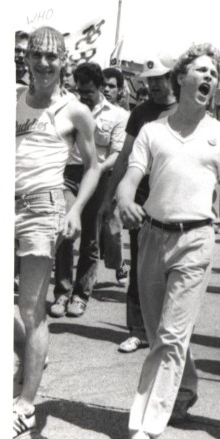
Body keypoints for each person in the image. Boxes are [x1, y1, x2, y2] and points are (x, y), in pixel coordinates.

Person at [115, 43, 220, 439]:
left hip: (196, 240)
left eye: (214, 72)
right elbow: (129, 179)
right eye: (201, 70)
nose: (209, 78)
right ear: (182, 78)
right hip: (152, 238)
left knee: (170, 337)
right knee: (161, 335)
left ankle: (144, 430)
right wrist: (123, 201)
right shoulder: (154, 131)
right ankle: (185, 387)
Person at [14, 26, 99, 438]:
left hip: (42, 209)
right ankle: (28, 353)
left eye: (52, 56)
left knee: (32, 310)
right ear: (26, 58)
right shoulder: (11, 99)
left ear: (63, 60)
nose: (44, 63)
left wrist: (76, 209)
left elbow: (94, 166)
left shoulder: (74, 110)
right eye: (37, 55)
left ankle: (26, 405)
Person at [99, 55, 178, 353]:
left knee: (172, 268)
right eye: (150, 80)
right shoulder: (141, 113)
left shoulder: (186, 110)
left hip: (174, 198)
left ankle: (167, 329)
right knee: (140, 268)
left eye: (160, 78)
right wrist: (109, 197)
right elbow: (125, 157)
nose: (155, 85)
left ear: (174, 78)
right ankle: (138, 329)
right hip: (141, 201)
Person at [50, 62, 128, 318]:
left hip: (98, 177)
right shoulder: (68, 109)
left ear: (101, 87)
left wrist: (95, 168)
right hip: (67, 175)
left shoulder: (117, 115)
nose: (83, 98)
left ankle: (81, 295)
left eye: (88, 93)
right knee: (66, 232)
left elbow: (118, 152)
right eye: (79, 92)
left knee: (91, 240)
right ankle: (61, 293)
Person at [101, 66, 130, 284]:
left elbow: (122, 153)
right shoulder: (87, 110)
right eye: (104, 85)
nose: (106, 89)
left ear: (120, 90)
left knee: (111, 227)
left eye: (112, 86)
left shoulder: (124, 116)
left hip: (112, 174)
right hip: (85, 175)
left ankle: (119, 264)